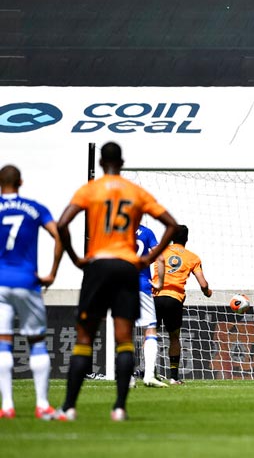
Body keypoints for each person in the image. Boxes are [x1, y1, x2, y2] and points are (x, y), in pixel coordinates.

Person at [55, 142, 178, 421]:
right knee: (125, 339)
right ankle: (120, 408)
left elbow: (62, 224)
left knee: (84, 338)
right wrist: (148, 259)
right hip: (126, 268)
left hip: (98, 266)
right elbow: (172, 225)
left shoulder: (90, 189)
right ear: (121, 163)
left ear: (100, 163)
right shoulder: (136, 192)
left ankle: (69, 408)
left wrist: (76, 257)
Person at [0, 165, 63, 420]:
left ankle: (7, 406)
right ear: (21, 182)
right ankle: (42, 404)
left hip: (0, 283)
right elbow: (58, 235)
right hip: (28, 281)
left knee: (3, 343)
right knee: (36, 342)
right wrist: (52, 272)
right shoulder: (35, 208)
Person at [153, 224, 212, 385]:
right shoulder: (192, 257)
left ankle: (150, 373)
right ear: (186, 238)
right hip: (174, 299)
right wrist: (208, 292)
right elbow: (203, 284)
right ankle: (173, 377)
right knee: (174, 338)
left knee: (150, 335)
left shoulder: (160, 251)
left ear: (172, 237)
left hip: (156, 297)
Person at [134, 224, 167, 388]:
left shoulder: (116, 231)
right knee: (151, 328)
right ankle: (148, 375)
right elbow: (160, 258)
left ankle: (128, 378)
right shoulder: (146, 232)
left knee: (124, 331)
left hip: (119, 284)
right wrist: (159, 282)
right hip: (141, 284)